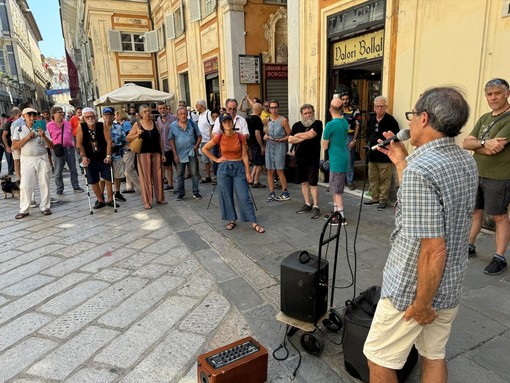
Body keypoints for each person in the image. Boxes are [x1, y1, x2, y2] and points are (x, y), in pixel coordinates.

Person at [363, 87, 478, 383]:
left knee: (379, 359)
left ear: (424, 118)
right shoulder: (466, 160)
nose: (410, 123)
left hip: (413, 289)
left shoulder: (422, 169)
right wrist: (401, 162)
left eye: (412, 116)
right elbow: (428, 212)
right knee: (433, 355)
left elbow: (433, 249)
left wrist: (422, 305)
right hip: (450, 283)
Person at [463, 78, 510, 275]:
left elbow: (496, 149)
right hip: (477, 173)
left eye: (497, 93)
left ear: (507, 93)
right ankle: (470, 246)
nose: (493, 97)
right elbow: (466, 143)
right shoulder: (484, 118)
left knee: (499, 216)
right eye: (489, 94)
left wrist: (479, 145)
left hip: (499, 176)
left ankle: (499, 257)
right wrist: (484, 143)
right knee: (475, 212)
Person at [202, 112, 265, 234]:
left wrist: (248, 172)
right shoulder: (219, 137)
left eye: (229, 121)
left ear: (232, 122)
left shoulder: (240, 136)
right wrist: (216, 159)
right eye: (224, 122)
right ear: (221, 124)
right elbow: (204, 149)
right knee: (226, 195)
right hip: (224, 168)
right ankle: (231, 219)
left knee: (244, 196)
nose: (227, 123)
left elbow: (245, 155)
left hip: (238, 167)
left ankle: (254, 222)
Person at [12, 107, 54, 218]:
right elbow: (15, 146)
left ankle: (45, 206)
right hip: (27, 159)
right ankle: (24, 209)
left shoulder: (42, 128)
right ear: (24, 117)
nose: (31, 118)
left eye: (33, 115)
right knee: (25, 185)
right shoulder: (19, 129)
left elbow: (51, 146)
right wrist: (27, 137)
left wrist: (43, 136)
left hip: (41, 157)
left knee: (44, 183)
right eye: (28, 115)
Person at [363, 96, 400, 211]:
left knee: (385, 179)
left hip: (385, 155)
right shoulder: (372, 119)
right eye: (377, 106)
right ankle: (374, 198)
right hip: (373, 155)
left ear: (386, 107)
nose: (379, 108)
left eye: (382, 106)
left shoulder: (391, 120)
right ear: (374, 107)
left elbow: (396, 137)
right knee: (373, 177)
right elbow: (368, 133)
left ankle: (383, 200)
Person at [126, 104, 166, 209]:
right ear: (140, 114)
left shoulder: (155, 123)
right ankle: (147, 201)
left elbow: (160, 140)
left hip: (156, 152)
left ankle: (160, 198)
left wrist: (163, 153)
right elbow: (128, 138)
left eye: (149, 111)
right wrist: (137, 134)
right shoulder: (137, 125)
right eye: (145, 112)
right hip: (143, 153)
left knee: (158, 176)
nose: (147, 113)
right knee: (145, 177)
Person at [77, 107, 115, 209]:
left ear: (95, 116)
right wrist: (83, 157)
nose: (90, 118)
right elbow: (79, 144)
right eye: (87, 117)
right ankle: (100, 200)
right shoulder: (81, 127)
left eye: (92, 116)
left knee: (108, 178)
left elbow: (109, 141)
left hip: (103, 156)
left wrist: (108, 155)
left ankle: (111, 199)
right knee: (93, 180)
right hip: (90, 157)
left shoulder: (101, 125)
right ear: (84, 118)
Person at [289, 104, 323, 219]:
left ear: (313, 112)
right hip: (300, 159)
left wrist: (298, 136)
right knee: (303, 182)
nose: (308, 115)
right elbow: (290, 139)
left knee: (313, 183)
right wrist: (304, 135)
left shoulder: (318, 123)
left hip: (313, 159)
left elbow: (312, 135)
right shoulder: (296, 125)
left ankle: (316, 206)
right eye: (305, 113)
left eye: (310, 113)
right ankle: (308, 203)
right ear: (302, 114)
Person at [323, 98, 349, 225]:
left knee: (337, 191)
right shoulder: (344, 122)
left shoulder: (330, 125)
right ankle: (335, 213)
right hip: (343, 156)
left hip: (336, 159)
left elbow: (324, 146)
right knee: (335, 188)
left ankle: (341, 217)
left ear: (330, 109)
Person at [46, 106, 83, 195]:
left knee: (73, 168)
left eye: (62, 112)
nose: (62, 114)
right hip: (58, 149)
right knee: (58, 170)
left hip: (69, 148)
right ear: (54, 114)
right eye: (59, 112)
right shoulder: (49, 125)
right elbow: (48, 138)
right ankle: (59, 188)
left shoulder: (67, 123)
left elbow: (71, 133)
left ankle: (76, 185)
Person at [169, 106, 202, 200]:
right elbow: (171, 140)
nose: (183, 116)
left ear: (187, 115)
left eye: (185, 114)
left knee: (194, 173)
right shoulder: (173, 125)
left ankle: (196, 192)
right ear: (177, 115)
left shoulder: (192, 123)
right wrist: (174, 154)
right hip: (180, 154)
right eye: (181, 114)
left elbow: (199, 136)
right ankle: (181, 193)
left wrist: (196, 147)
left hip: (191, 152)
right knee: (180, 174)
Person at [264, 100, 291, 202]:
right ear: (269, 109)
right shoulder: (267, 120)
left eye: (275, 107)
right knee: (270, 170)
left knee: (279, 170)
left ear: (278, 108)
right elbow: (267, 132)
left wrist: (281, 139)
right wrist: (266, 136)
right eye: (271, 108)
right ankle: (271, 192)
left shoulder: (283, 120)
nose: (273, 110)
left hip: (280, 146)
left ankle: (285, 191)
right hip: (269, 146)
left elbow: (290, 135)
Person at [102, 107, 127, 202]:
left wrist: (119, 146)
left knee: (118, 174)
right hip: (104, 155)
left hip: (116, 154)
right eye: (106, 115)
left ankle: (117, 192)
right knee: (104, 176)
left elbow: (124, 140)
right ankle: (104, 194)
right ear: (103, 116)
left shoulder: (119, 127)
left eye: (110, 115)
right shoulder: (100, 127)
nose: (108, 117)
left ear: (113, 116)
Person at [340, 92, 362, 190]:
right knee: (339, 160)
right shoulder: (338, 111)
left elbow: (358, 125)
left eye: (347, 99)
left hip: (349, 137)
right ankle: (340, 181)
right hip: (338, 138)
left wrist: (354, 139)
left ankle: (349, 181)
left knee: (349, 160)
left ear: (350, 100)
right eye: (343, 99)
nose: (345, 101)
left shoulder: (355, 111)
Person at [156, 101, 177, 191]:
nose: (162, 110)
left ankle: (180, 185)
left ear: (167, 108)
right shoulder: (158, 120)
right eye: (160, 108)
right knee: (168, 167)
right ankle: (170, 184)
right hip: (164, 147)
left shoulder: (173, 118)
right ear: (158, 109)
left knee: (178, 166)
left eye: (164, 108)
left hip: (174, 147)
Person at [116, 109, 139, 193]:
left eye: (116, 115)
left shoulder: (125, 124)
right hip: (126, 149)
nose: (115, 117)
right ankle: (129, 187)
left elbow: (129, 135)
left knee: (129, 169)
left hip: (129, 148)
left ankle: (141, 186)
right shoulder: (123, 123)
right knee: (127, 170)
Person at [246, 102, 266, 188]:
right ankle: (256, 181)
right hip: (257, 143)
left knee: (256, 162)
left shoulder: (248, 117)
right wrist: (262, 146)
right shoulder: (257, 119)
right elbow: (257, 133)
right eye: (261, 109)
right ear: (259, 109)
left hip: (251, 142)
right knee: (260, 164)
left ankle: (250, 179)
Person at [196, 99, 214, 183]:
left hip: (209, 140)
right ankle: (208, 176)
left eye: (197, 105)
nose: (196, 106)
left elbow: (212, 125)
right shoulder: (200, 115)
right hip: (202, 141)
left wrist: (211, 138)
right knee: (205, 160)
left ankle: (216, 176)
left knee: (213, 159)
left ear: (202, 105)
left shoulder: (208, 113)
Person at [1, 107, 19, 176]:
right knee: (12, 159)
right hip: (9, 144)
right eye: (19, 115)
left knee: (16, 159)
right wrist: (7, 147)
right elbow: (3, 136)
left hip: (16, 143)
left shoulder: (19, 122)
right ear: (14, 116)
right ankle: (11, 171)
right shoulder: (9, 124)